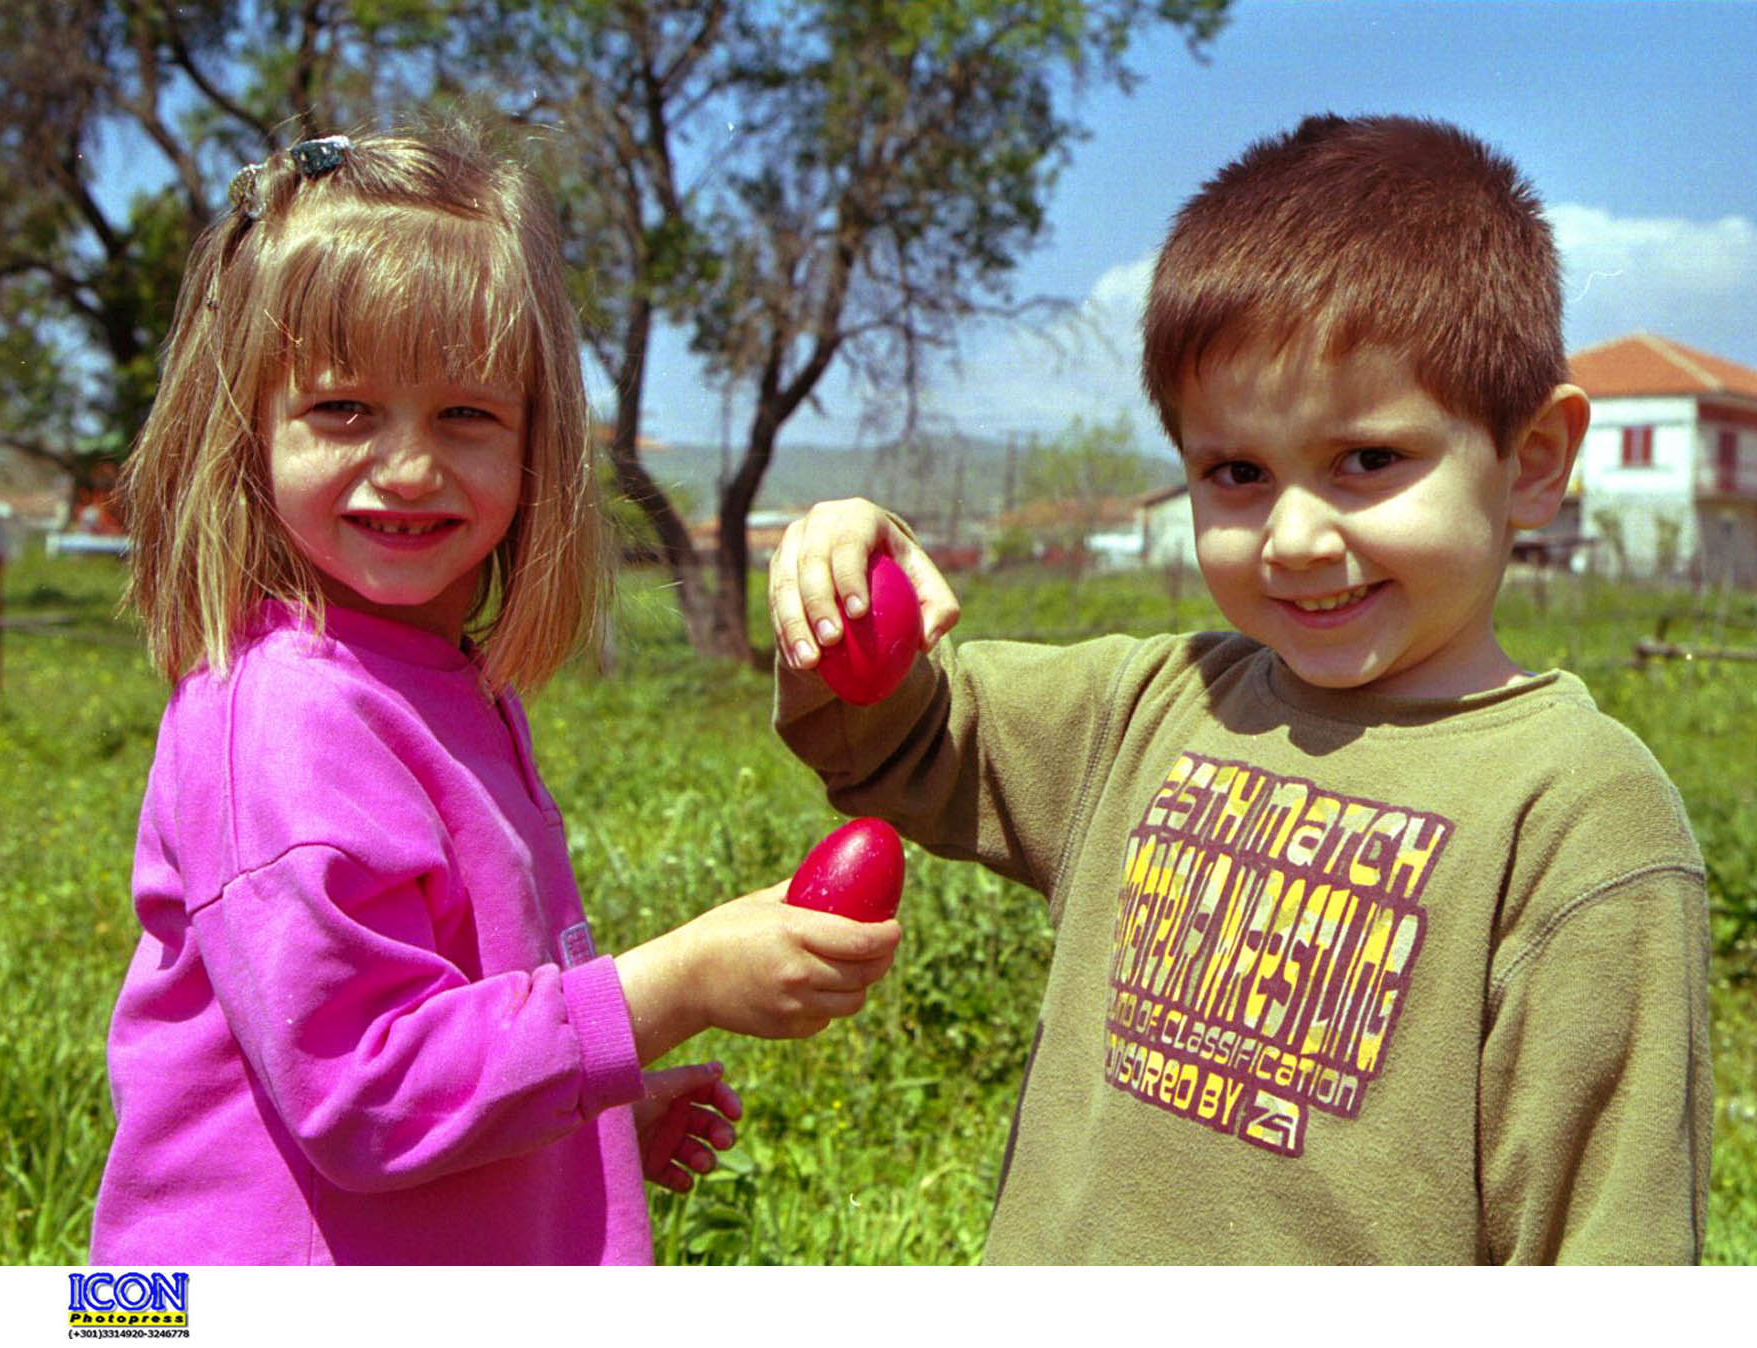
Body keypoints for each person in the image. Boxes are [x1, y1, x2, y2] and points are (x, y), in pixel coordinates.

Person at [767, 114, 1711, 1263]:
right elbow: (899, 737)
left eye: (1367, 459)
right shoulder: (1148, 708)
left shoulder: (1573, 814)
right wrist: (844, 580)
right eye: (1237, 473)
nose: (1297, 538)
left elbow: (1607, 1250)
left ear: (1530, 460)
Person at [90, 127, 900, 1266]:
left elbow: (447, 1015)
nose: (410, 465)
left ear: (536, 446)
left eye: (465, 414)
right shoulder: (286, 715)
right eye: (342, 410)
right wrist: (670, 985)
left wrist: (585, 1122)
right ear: (245, 434)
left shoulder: (438, 682)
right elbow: (364, 1087)